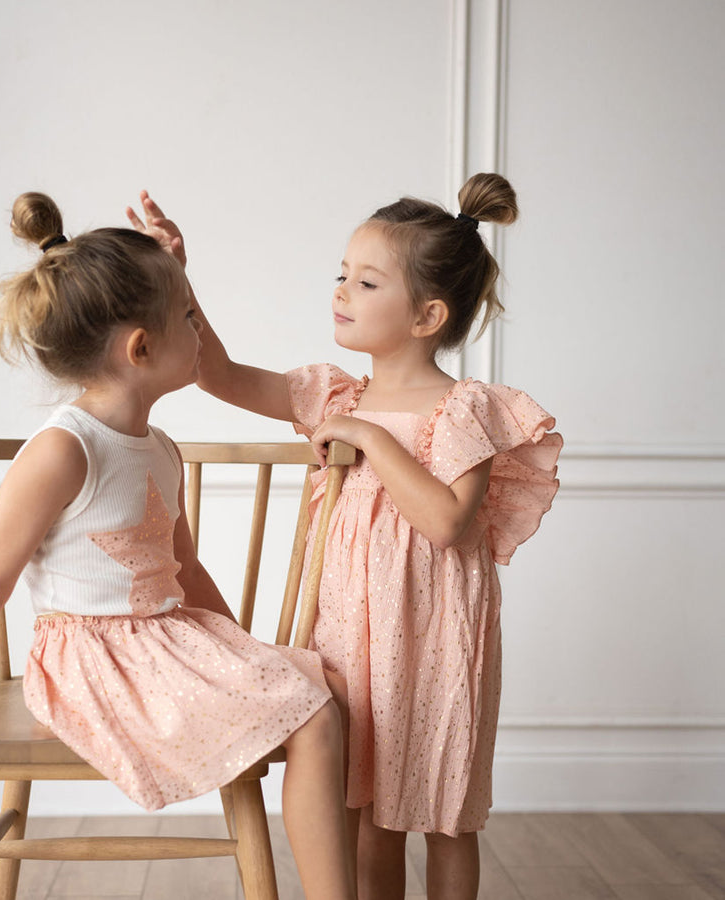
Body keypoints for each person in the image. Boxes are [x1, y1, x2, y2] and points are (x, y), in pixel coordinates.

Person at [0, 192, 357, 900]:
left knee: (320, 689)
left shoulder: (158, 447)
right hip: (91, 659)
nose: (200, 330)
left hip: (163, 638)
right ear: (141, 348)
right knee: (311, 713)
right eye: (189, 317)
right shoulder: (64, 450)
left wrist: (242, 650)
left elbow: (185, 565)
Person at [127, 174, 562, 900]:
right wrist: (178, 274)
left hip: (438, 638)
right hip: (353, 635)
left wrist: (369, 439)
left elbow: (448, 521)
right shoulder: (332, 394)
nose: (340, 292)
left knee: (449, 815)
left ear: (426, 316)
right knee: (369, 815)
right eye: (342, 275)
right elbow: (219, 373)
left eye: (365, 283)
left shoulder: (464, 410)